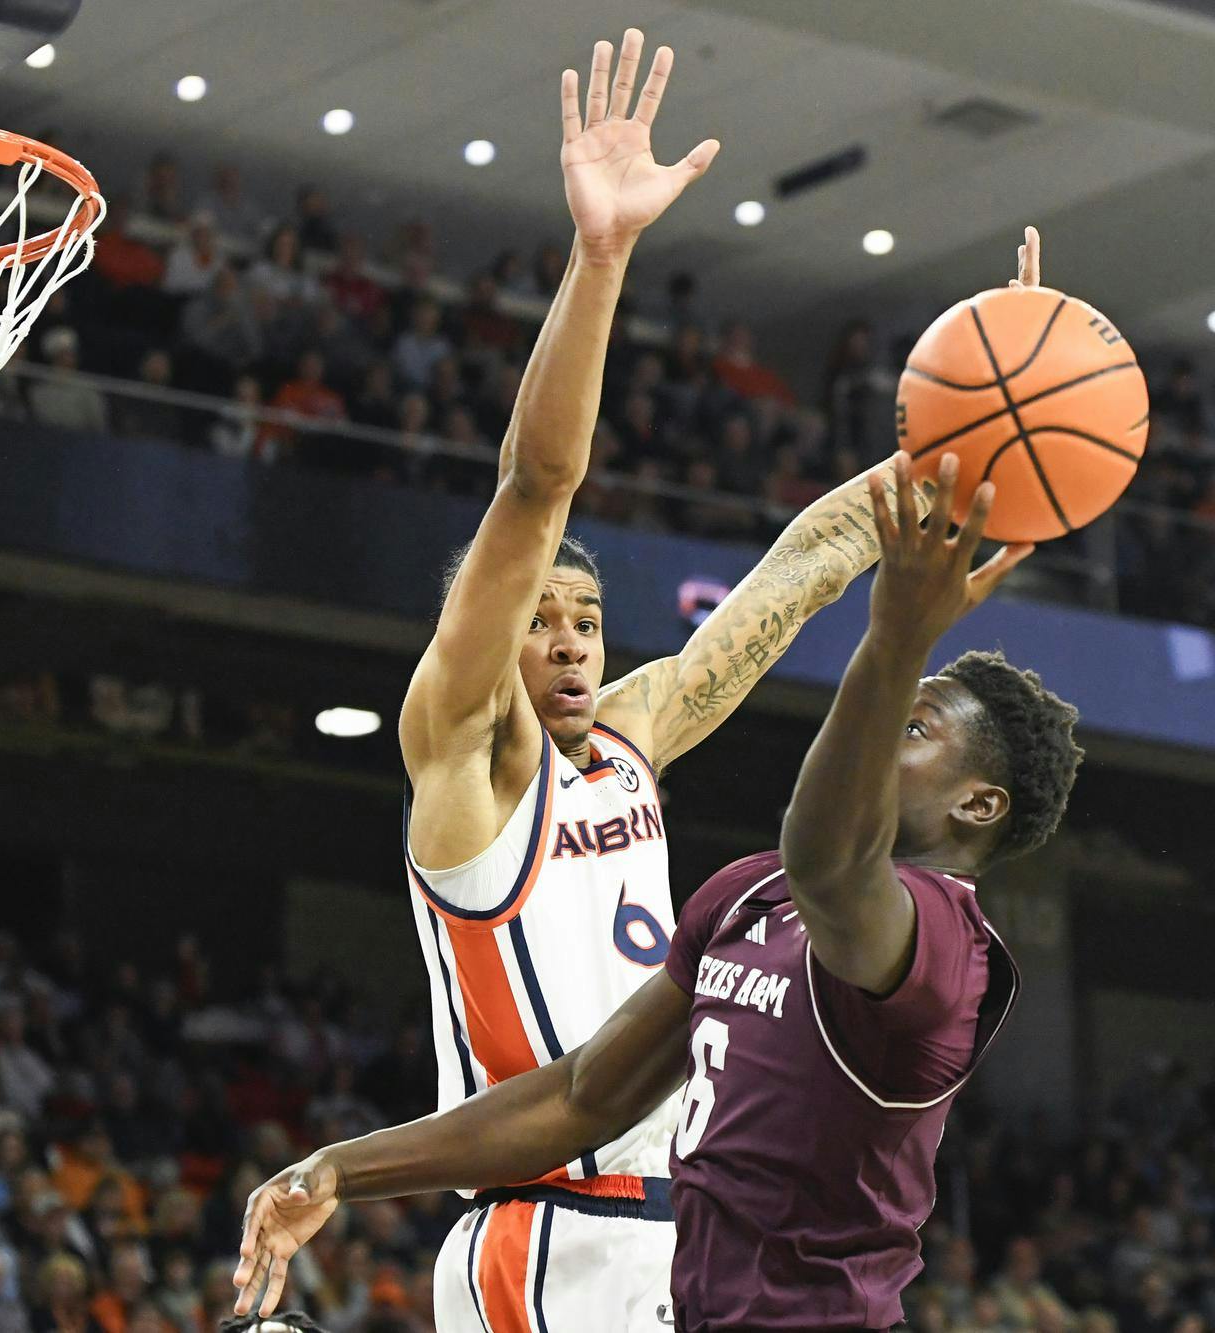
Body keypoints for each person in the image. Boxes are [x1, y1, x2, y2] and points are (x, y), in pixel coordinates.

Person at [385, 33, 1040, 1333]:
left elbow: (802, 569)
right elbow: (535, 485)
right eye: (538, 619)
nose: (568, 641)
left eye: (587, 620)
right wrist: (601, 258)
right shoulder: (463, 753)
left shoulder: (630, 736)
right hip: (541, 1230)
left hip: (681, 1234)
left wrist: (978, 416)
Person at [233, 452, 1083, 1333]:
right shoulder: (745, 895)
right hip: (631, 1255)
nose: (569, 641)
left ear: (979, 805)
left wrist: (897, 640)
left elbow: (831, 858)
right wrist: (942, 450)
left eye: (913, 724)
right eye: (539, 619)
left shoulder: (940, 944)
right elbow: (582, 1095)